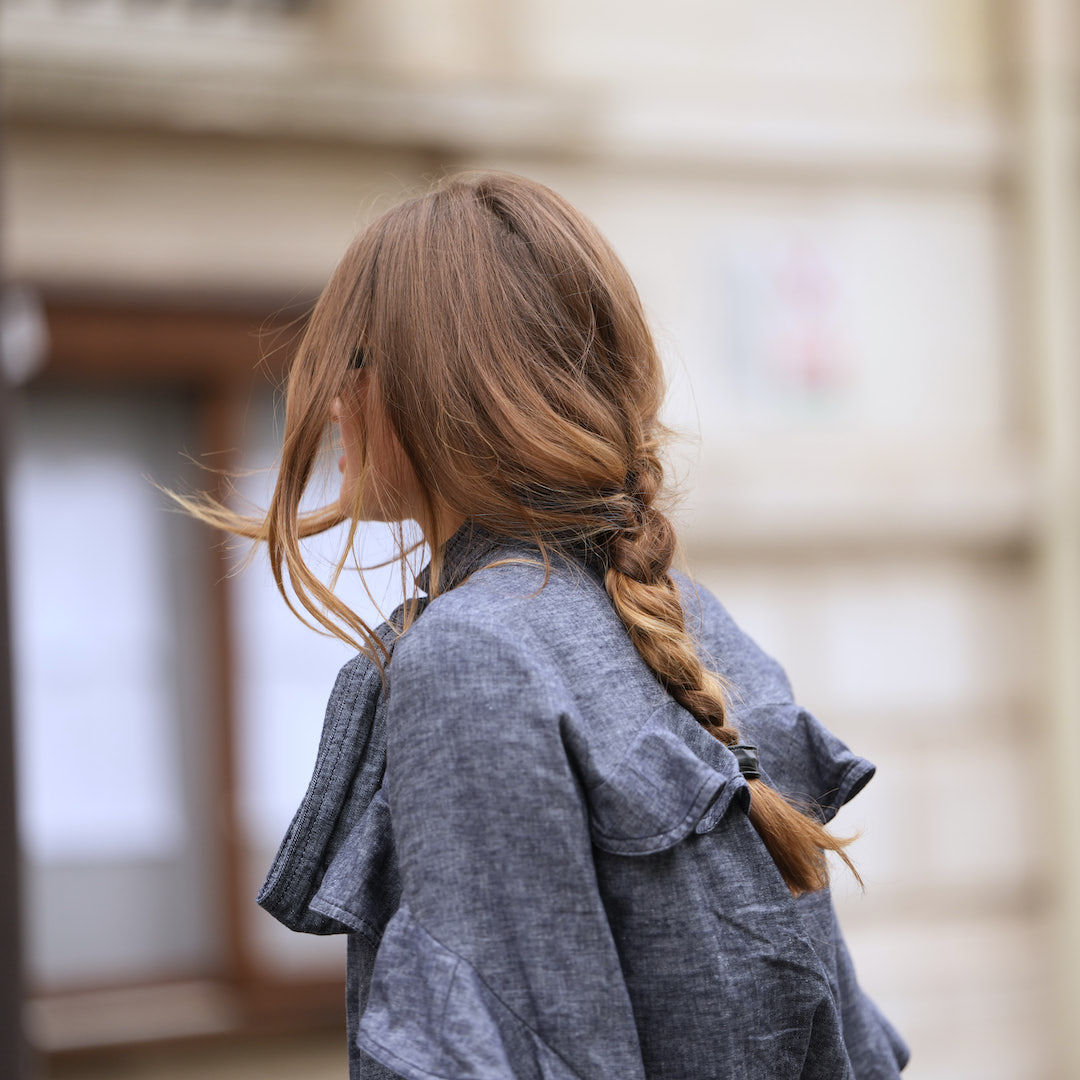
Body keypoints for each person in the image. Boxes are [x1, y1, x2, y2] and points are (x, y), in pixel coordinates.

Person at [173, 171, 910, 1078]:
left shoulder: (473, 655)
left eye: (352, 361)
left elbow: (509, 1052)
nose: (330, 402)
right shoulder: (686, 617)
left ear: (444, 382)